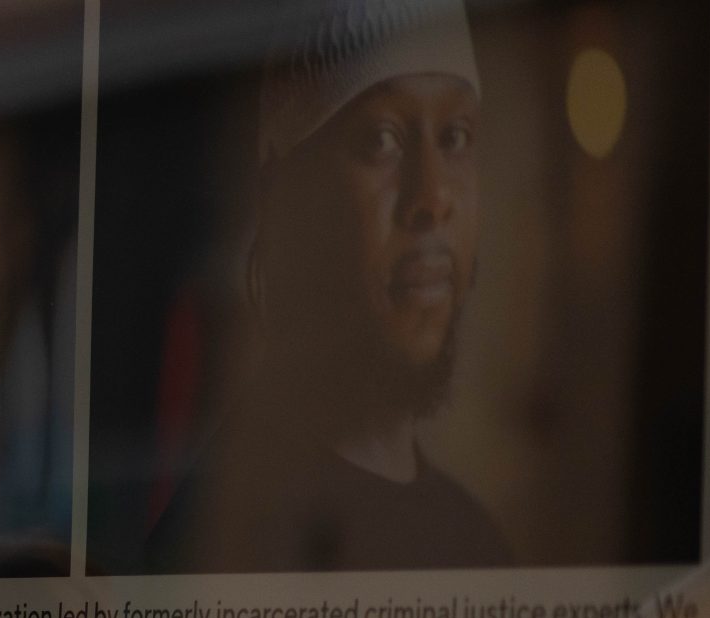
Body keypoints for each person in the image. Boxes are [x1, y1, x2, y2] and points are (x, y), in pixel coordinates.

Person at [144, 0, 510, 574]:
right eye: (381, 140)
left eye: (456, 136)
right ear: (286, 199)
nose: (433, 198)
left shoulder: (475, 542)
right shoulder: (224, 528)